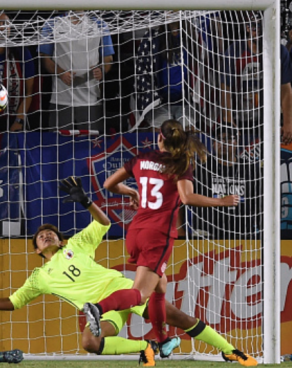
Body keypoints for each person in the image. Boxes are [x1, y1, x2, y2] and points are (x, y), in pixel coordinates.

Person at [0, 176, 257, 367]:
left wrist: (86, 202)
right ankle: (147, 346)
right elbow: (14, 302)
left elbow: (103, 224)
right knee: (89, 343)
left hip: (122, 290)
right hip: (100, 312)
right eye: (41, 235)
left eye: (51, 232)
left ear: (61, 240)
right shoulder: (39, 277)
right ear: (35, 249)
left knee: (181, 319)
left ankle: (233, 351)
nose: (46, 235)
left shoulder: (78, 245)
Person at [82, 120, 239, 354]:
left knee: (160, 286)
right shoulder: (180, 164)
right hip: (158, 236)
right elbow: (187, 198)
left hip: (135, 232)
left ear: (159, 138)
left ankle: (164, 341)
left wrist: (131, 191)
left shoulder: (141, 159)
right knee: (139, 295)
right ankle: (97, 308)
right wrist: (221, 201)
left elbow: (108, 184)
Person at [38, 11, 114, 134]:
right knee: (58, 147)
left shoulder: (100, 24)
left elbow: (108, 59)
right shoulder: (52, 24)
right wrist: (60, 73)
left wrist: (102, 70)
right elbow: (44, 57)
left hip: (91, 101)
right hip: (61, 100)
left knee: (91, 149)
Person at [192, 125, 260, 239]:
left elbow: (259, 203)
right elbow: (189, 198)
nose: (223, 143)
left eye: (228, 138)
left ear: (236, 142)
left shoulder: (251, 169)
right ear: (213, 143)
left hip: (243, 233)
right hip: (206, 233)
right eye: (219, 139)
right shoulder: (200, 168)